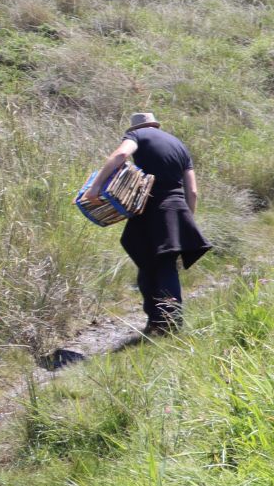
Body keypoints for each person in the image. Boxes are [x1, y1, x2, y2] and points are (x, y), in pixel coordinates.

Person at [84, 112, 209, 334]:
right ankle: (157, 321)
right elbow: (193, 190)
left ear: (136, 128)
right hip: (177, 209)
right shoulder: (179, 145)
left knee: (158, 264)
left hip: (153, 209)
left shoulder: (137, 136)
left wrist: (96, 187)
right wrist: (186, 219)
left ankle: (169, 324)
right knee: (154, 264)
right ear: (156, 125)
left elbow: (122, 154)